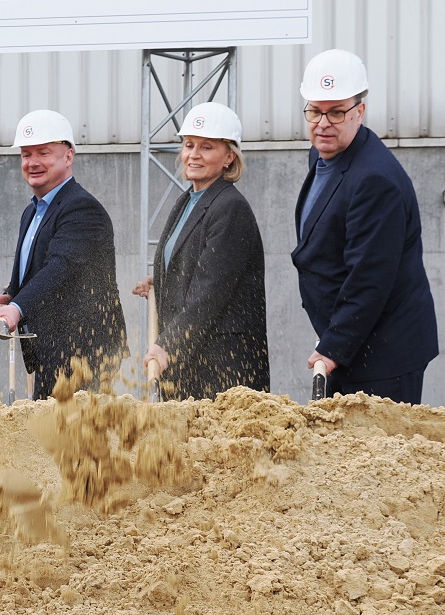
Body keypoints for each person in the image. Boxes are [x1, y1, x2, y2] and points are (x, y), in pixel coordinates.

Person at [291, 49, 437, 403]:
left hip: (384, 354)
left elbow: (369, 278)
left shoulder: (374, 180)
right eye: (315, 110)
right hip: (354, 339)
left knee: (380, 440)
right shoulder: (324, 154)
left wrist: (333, 347)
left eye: (336, 112)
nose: (323, 123)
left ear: (360, 111)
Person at [0, 109, 126, 398]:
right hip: (51, 348)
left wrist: (18, 308)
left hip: (83, 351)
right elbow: (39, 270)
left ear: (68, 156)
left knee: (73, 427)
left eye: (43, 153)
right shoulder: (32, 211)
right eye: (26, 154)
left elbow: (62, 267)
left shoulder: (81, 209)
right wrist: (11, 296)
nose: (32, 162)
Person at [130, 102, 269, 399]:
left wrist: (167, 346)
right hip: (190, 365)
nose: (194, 154)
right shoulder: (187, 201)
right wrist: (162, 281)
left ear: (229, 157)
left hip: (222, 370)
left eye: (207, 147)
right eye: (189, 145)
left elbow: (209, 293)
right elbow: (194, 266)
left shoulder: (230, 208)